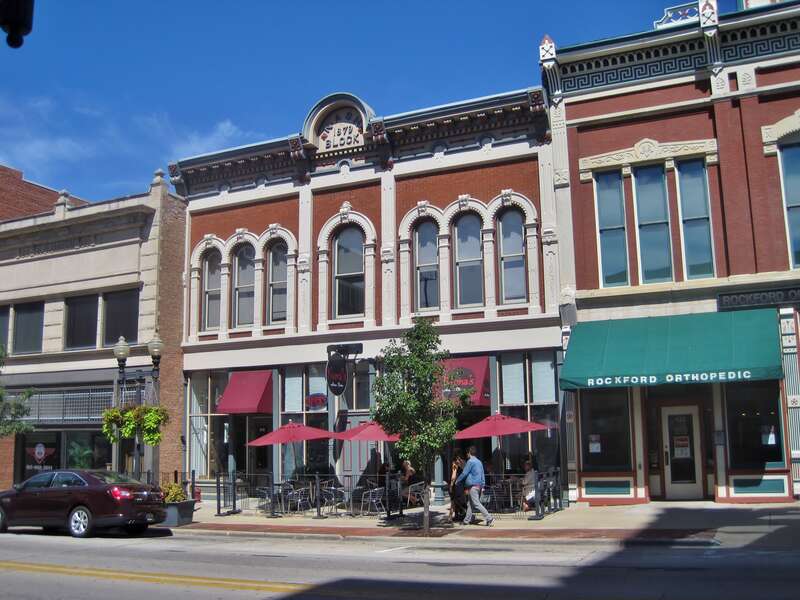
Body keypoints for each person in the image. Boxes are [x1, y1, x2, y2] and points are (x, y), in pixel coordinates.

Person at [455, 446, 494, 526]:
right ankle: (466, 521)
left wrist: (458, 480)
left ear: (469, 453)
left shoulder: (470, 462)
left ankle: (489, 518)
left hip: (473, 486)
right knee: (470, 504)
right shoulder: (479, 462)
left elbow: (464, 473)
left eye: (467, 453)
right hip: (479, 486)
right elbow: (482, 474)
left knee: (476, 504)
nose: (467, 455)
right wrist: (482, 486)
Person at [448, 453, 467, 523]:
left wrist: (451, 485)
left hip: (456, 485)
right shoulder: (464, 463)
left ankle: (452, 516)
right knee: (457, 500)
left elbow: (453, 476)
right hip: (462, 484)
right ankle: (454, 516)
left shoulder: (455, 464)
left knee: (454, 500)